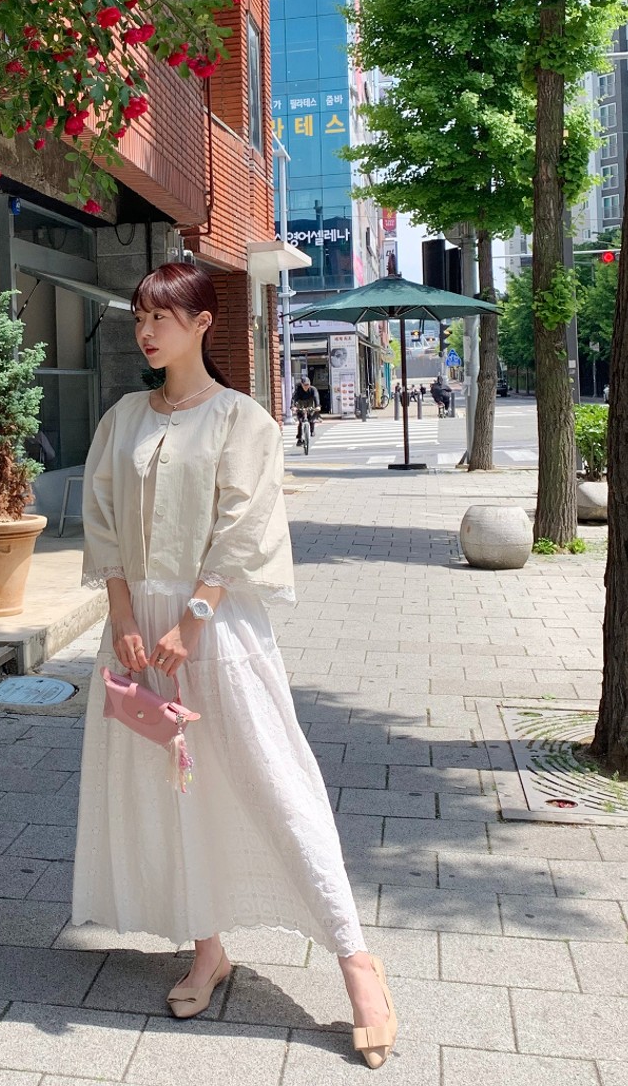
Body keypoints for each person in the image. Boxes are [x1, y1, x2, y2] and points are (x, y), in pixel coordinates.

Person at [72, 262, 397, 1070]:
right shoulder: (122, 419)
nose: (146, 331)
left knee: (273, 780)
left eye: (162, 317)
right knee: (173, 789)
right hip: (138, 632)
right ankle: (207, 949)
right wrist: (122, 617)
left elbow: (245, 525)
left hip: (213, 629)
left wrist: (193, 618)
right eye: (139, 317)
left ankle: (356, 961)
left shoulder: (242, 420)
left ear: (202, 324)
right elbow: (102, 520)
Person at [290, 374, 320, 446]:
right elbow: (294, 398)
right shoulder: (298, 390)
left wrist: (318, 406)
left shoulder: (313, 389)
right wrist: (293, 406)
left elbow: (316, 398)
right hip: (301, 405)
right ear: (302, 384)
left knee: (312, 416)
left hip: (310, 404)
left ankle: (312, 429)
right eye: (305, 385)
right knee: (301, 421)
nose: (306, 386)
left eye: (308, 385)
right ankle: (299, 438)